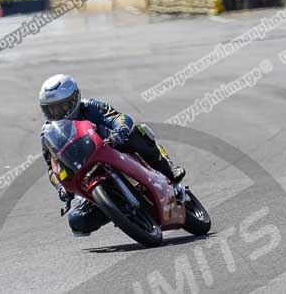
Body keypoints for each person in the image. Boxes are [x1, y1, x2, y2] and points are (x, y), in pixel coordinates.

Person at [38, 74, 185, 236]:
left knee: (138, 133)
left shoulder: (90, 106)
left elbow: (119, 117)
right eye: (51, 108)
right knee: (77, 221)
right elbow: (52, 168)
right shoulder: (48, 134)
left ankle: (168, 168)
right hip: (84, 171)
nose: (56, 112)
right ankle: (120, 211)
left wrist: (120, 130)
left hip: (112, 148)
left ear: (74, 100)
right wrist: (60, 186)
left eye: (62, 106)